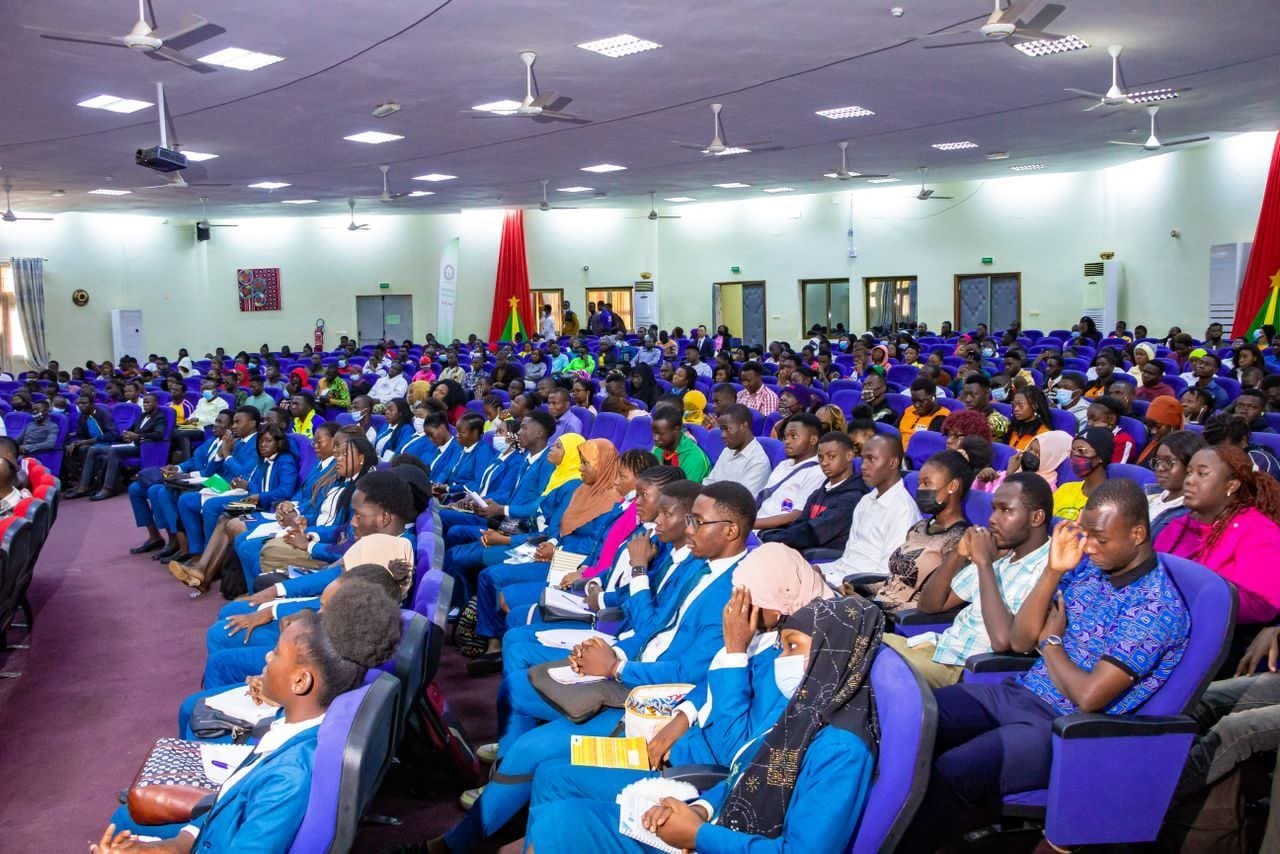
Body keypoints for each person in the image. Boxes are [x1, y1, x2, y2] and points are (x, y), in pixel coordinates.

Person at [901, 480, 1192, 853]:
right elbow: (1021, 640)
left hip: (1060, 726)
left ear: (1137, 533)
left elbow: (1088, 696)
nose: (1089, 547)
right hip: (1017, 692)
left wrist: (1050, 644)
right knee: (911, 721)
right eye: (1086, 536)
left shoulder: (1155, 607)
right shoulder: (1086, 570)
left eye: (1100, 539)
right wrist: (1053, 571)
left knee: (949, 771)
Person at [524, 591, 881, 854]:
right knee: (557, 808)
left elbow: (801, 850)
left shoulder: (841, 748)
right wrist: (702, 808)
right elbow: (747, 776)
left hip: (719, 833)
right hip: (714, 817)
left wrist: (698, 835)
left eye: (792, 648)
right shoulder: (804, 714)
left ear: (831, 656)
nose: (780, 660)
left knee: (560, 824)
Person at [92, 583, 400, 854]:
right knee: (126, 820)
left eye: (277, 653)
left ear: (300, 682)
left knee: (122, 824)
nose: (267, 657)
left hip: (219, 837)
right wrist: (176, 845)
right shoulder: (295, 725)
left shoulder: (289, 778)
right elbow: (234, 790)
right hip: (215, 827)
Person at [893, 473, 1054, 688]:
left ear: (1036, 518)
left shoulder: (1048, 570)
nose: (993, 519)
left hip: (959, 668)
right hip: (935, 647)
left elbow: (1002, 641)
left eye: (1006, 510)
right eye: (994, 508)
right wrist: (959, 554)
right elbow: (930, 605)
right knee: (848, 634)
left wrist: (984, 564)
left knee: (863, 660)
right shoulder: (1003, 557)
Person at [1156, 443, 1280, 627]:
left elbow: (1262, 605)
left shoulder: (1258, 531)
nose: (1189, 480)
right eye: (1189, 472)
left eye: (1202, 474)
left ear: (1231, 485)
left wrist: (1184, 599)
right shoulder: (1178, 524)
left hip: (1209, 633)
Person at [865, 449, 972, 612]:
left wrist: (874, 606)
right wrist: (859, 589)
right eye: (919, 484)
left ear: (953, 486)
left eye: (927, 483)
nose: (920, 490)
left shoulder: (960, 540)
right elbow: (894, 582)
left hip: (902, 620)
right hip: (876, 607)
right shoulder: (919, 527)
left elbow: (936, 602)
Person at [815, 433, 921, 585]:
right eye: (863, 458)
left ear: (893, 463)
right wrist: (817, 571)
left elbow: (885, 574)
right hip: (839, 572)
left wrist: (826, 581)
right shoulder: (866, 500)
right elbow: (848, 557)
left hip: (858, 587)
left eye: (871, 459)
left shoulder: (902, 510)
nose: (863, 466)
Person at [759, 432, 866, 554]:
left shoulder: (852, 498)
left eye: (831, 456)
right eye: (820, 457)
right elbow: (799, 526)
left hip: (824, 557)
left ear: (849, 455)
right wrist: (767, 535)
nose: (824, 463)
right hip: (802, 550)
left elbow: (810, 534)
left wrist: (768, 538)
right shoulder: (819, 492)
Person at [74, 392, 169, 500]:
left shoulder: (160, 417)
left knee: (113, 451)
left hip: (143, 448)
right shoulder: (142, 415)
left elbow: (158, 434)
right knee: (92, 450)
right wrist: (126, 434)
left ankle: (108, 488)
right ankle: (83, 486)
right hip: (130, 444)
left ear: (156, 403)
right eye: (144, 403)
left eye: (148, 403)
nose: (145, 405)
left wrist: (137, 436)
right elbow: (132, 428)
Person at [754, 413, 827, 531]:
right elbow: (762, 498)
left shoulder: (817, 472)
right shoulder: (783, 465)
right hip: (755, 526)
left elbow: (795, 516)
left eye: (794, 436)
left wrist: (749, 524)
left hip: (773, 533)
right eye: (785, 437)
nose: (787, 441)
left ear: (813, 440)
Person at [1147, 429, 1208, 539]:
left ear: (1191, 465)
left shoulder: (1187, 515)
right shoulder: (1150, 495)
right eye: (1158, 461)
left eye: (1169, 462)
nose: (1160, 468)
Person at [61, 394, 122, 497]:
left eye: (84, 403)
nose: (81, 406)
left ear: (92, 404)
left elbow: (113, 435)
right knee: (68, 450)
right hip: (93, 444)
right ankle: (84, 482)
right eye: (79, 403)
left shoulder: (103, 414)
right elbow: (80, 435)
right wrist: (74, 442)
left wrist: (88, 441)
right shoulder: (82, 416)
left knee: (88, 449)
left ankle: (84, 486)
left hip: (109, 444)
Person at [704, 404, 771, 496]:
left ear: (744, 426)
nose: (722, 435)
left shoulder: (758, 462)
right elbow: (709, 483)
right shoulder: (727, 450)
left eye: (727, 429)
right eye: (721, 429)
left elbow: (742, 503)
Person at [1053, 427, 1112, 521]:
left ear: (1101, 457)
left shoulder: (1111, 502)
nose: (1075, 455)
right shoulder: (1065, 489)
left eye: (1081, 451)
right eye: (1073, 451)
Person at [651, 405, 711, 483]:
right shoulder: (658, 449)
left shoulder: (695, 459)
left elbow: (685, 492)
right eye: (654, 433)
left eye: (661, 434)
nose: (655, 438)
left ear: (676, 429)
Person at [899, 376, 950, 453]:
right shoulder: (908, 410)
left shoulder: (941, 417)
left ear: (933, 397)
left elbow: (927, 446)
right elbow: (894, 433)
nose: (916, 405)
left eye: (921, 401)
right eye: (914, 401)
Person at [1136, 394, 1187, 466]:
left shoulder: (1181, 452)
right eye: (1150, 425)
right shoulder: (1149, 438)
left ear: (1173, 426)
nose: (1153, 431)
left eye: (1158, 426)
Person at [1087, 395, 1138, 464]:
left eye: (1094, 420)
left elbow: (1116, 471)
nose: (1089, 424)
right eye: (1088, 419)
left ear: (1111, 419)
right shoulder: (1088, 432)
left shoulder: (1123, 441)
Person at [961, 373, 1010, 442]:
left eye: (973, 394)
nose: (967, 399)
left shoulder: (998, 422)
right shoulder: (963, 416)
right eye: (966, 394)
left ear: (987, 393)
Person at [1006, 387, 1051, 452]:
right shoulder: (1013, 427)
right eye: (1014, 405)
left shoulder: (1044, 434)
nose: (1016, 409)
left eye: (1020, 405)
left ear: (1034, 405)